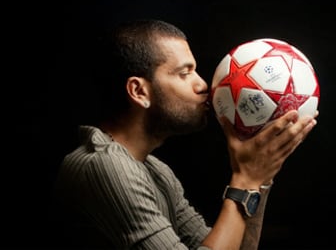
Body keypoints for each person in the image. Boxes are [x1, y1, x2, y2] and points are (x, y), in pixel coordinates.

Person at [50, 19, 317, 250]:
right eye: (184, 73)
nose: (203, 84)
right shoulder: (102, 166)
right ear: (139, 91)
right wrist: (245, 178)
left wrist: (261, 178)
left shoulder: (156, 172)